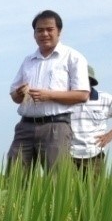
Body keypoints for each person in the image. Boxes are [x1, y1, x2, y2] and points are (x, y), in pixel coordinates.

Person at [8, 9, 89, 173]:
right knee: (15, 176)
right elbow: (14, 96)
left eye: (49, 29)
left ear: (59, 31)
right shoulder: (28, 60)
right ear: (34, 34)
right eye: (39, 30)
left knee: (56, 179)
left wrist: (49, 95)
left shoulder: (73, 57)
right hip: (25, 126)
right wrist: (20, 93)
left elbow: (82, 94)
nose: (44, 34)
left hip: (56, 126)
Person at [70, 65, 112, 175]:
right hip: (67, 154)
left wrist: (110, 135)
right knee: (66, 190)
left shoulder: (105, 99)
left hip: (94, 154)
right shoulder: (63, 100)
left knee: (94, 190)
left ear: (90, 81)